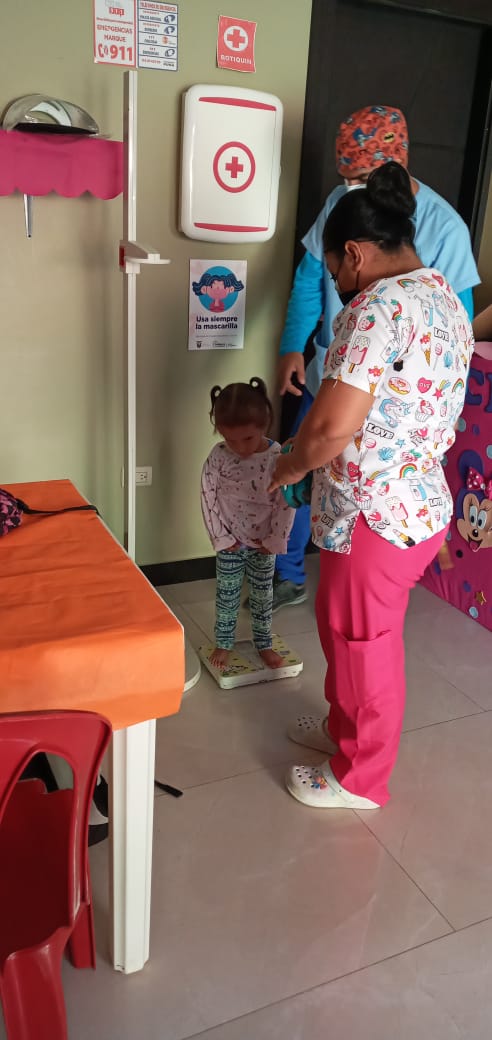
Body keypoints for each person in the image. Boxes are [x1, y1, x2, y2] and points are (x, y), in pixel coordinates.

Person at [269, 161, 474, 809]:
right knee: (342, 628)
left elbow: (332, 425)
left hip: (377, 516)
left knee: (364, 644)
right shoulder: (442, 295)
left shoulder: (376, 307)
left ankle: (360, 777)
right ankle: (342, 729)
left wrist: (289, 467)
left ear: (355, 254)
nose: (337, 286)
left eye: (334, 271)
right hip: (409, 503)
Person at [273, 104, 480, 612]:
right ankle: (289, 571)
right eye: (348, 180)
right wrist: (293, 346)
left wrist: (295, 464)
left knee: (359, 629)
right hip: (355, 422)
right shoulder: (349, 214)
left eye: (361, 179)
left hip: (381, 485)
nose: (352, 190)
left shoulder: (392, 288)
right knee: (355, 624)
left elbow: (454, 342)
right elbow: (308, 280)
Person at [201, 378, 295, 671]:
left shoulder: (276, 458)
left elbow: (285, 502)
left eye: (248, 439)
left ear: (264, 424)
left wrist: (275, 540)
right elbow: (207, 495)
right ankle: (223, 642)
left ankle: (263, 643)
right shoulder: (219, 456)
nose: (239, 448)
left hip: (263, 544)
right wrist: (220, 537)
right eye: (230, 440)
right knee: (226, 596)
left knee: (262, 595)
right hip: (230, 542)